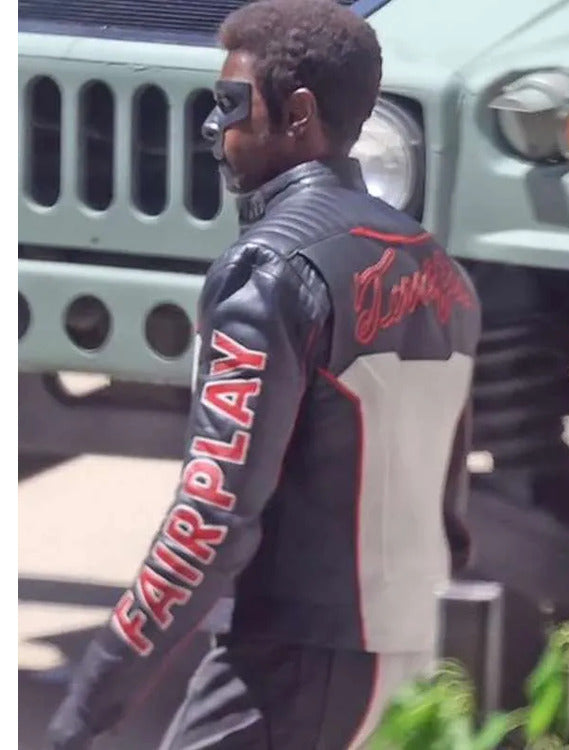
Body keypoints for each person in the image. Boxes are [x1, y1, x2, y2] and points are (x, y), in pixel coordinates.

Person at [46, 0, 481, 747]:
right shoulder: (442, 272)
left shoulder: (268, 269)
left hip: (286, 672)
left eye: (229, 104)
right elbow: (450, 508)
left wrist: (88, 705)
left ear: (298, 115)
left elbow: (209, 521)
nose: (211, 128)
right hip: (412, 663)